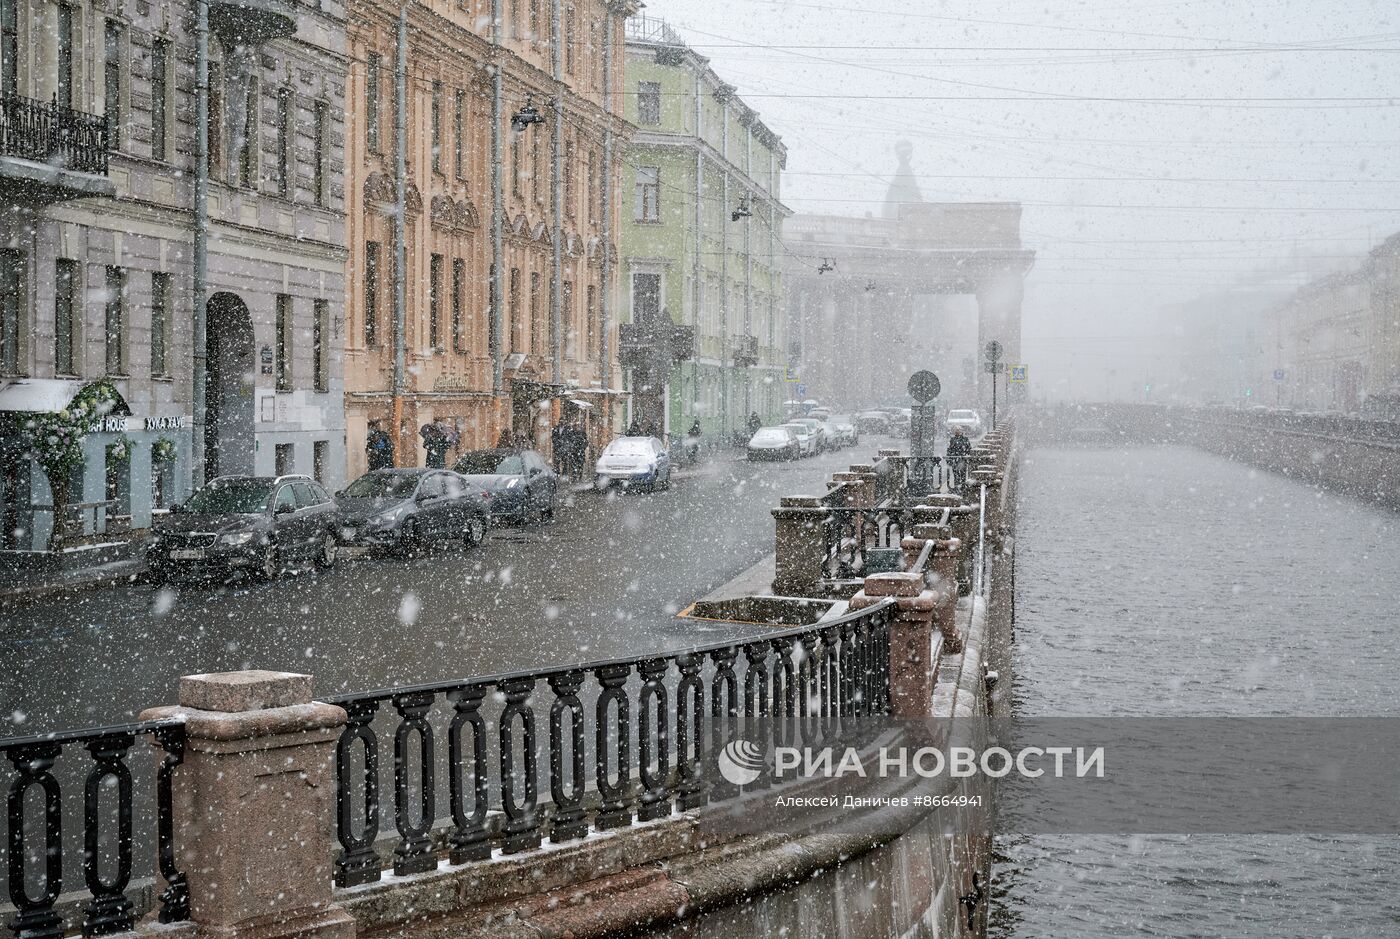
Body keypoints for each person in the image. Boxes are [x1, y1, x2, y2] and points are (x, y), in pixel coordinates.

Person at [947, 425, 972, 490]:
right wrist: (949, 458)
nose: (957, 431)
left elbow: (968, 449)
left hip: (962, 460)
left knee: (962, 474)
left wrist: (967, 456)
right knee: (956, 475)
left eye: (959, 430)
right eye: (956, 430)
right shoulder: (952, 439)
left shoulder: (965, 439)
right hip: (955, 460)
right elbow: (950, 449)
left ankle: (962, 487)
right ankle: (957, 487)